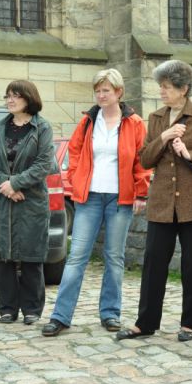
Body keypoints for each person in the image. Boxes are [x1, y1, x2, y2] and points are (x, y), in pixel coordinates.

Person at [116, 60, 192, 343]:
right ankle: (145, 322)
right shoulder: (156, 118)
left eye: (167, 86)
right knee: (153, 263)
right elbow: (145, 159)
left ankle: (191, 323)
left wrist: (190, 154)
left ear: (183, 88)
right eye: (161, 86)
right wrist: (164, 137)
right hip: (162, 203)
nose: (162, 91)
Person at [41, 69, 151, 337]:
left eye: (106, 90)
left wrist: (141, 192)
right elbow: (74, 152)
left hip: (120, 199)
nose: (101, 95)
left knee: (114, 257)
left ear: (118, 92)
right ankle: (60, 316)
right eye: (98, 91)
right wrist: (76, 178)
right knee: (76, 257)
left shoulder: (135, 123)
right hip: (89, 198)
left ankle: (110, 313)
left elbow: (142, 160)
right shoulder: (88, 121)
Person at [0, 80, 54, 325]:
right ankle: (7, 308)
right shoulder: (0, 128)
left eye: (15, 95)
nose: (10, 100)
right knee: (3, 257)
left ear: (29, 98)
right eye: (7, 96)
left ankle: (32, 309)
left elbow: (44, 164)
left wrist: (16, 183)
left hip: (31, 201)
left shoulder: (42, 128)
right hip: (2, 200)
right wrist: (6, 186)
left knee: (31, 255)